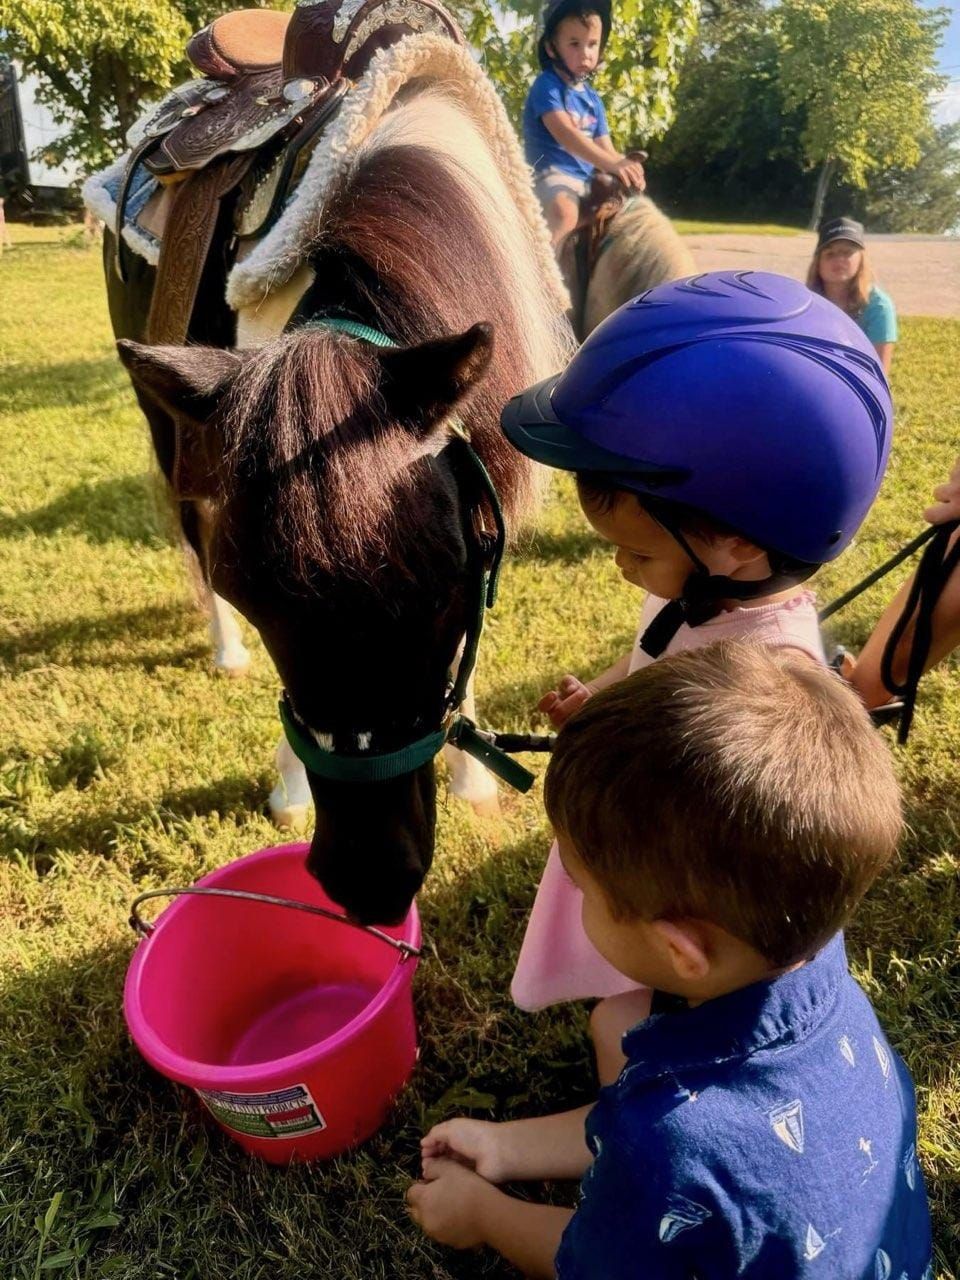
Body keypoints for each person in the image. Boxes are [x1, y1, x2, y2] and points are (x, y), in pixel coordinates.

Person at [406, 643, 932, 1278]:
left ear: (681, 951)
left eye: (581, 885)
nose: (572, 894)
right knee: (617, 1025)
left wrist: (483, 1214)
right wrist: (503, 1147)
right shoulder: (816, 963)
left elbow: (594, 1264)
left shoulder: (670, 1147)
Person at [499, 270, 894, 1085]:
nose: (621, 569)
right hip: (650, 855)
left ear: (734, 544)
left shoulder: (765, 679)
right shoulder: (699, 590)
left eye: (637, 553)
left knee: (625, 1026)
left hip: (687, 883)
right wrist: (607, 700)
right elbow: (651, 655)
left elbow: (730, 840)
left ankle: (634, 1123)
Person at [523, 0, 645, 247]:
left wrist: (626, 166)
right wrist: (611, 163)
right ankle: (541, 276)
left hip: (586, 180)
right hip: (550, 175)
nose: (586, 53)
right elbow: (565, 134)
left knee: (633, 218)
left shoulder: (592, 99)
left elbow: (605, 148)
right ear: (551, 47)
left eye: (592, 44)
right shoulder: (546, 86)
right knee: (564, 214)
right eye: (574, 44)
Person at [807, 216, 898, 374]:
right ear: (818, 263)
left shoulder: (878, 306)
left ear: (861, 260)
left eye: (847, 253)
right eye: (830, 253)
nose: (839, 260)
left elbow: (880, 374)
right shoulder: (806, 303)